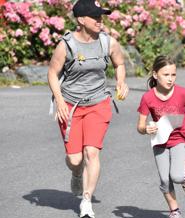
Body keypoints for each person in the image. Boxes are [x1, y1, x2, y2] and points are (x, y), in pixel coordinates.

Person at [47, 0, 128, 217]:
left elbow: (119, 63)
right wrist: (59, 100)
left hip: (98, 103)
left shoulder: (107, 42)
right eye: (95, 17)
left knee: (91, 152)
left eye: (101, 16)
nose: (100, 20)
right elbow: (52, 74)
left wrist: (121, 81)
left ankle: (86, 200)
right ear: (81, 20)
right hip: (70, 106)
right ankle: (76, 173)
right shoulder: (66, 45)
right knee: (75, 160)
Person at [137, 55, 185, 218]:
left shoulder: (182, 93)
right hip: (159, 141)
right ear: (155, 75)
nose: (170, 79)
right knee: (164, 180)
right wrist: (146, 129)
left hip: (179, 139)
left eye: (173, 75)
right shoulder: (148, 98)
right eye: (166, 75)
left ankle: (184, 167)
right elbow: (140, 126)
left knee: (177, 176)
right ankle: (174, 211)